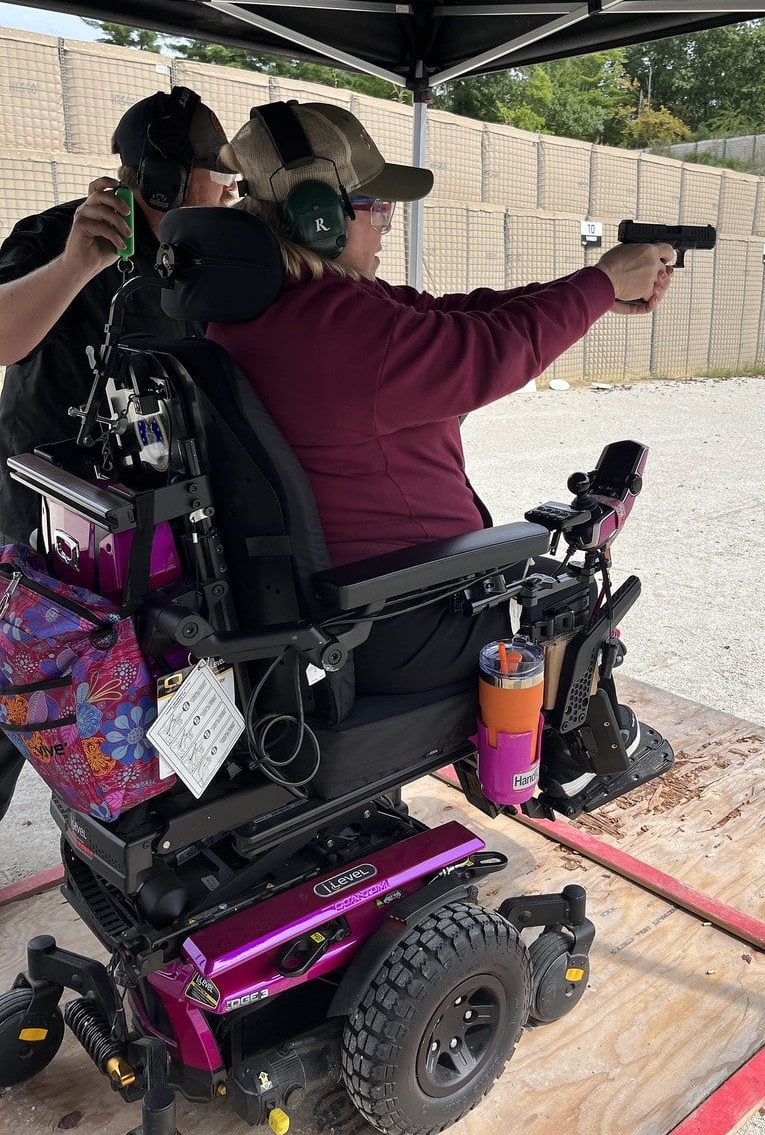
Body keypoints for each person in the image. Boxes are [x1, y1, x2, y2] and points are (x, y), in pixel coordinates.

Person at [207, 100, 674, 759]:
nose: (385, 228)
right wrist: (600, 283)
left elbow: (451, 317)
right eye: (377, 210)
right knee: (563, 587)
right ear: (322, 215)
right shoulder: (338, 332)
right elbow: (487, 354)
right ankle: (568, 756)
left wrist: (592, 293)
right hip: (408, 624)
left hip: (332, 613)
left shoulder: (270, 310)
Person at [0, 87, 238, 823]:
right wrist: (77, 263)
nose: (228, 190)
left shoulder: (200, 253)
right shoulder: (53, 236)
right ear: (167, 175)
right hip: (37, 518)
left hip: (148, 530)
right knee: (19, 692)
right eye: (214, 175)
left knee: (138, 692)